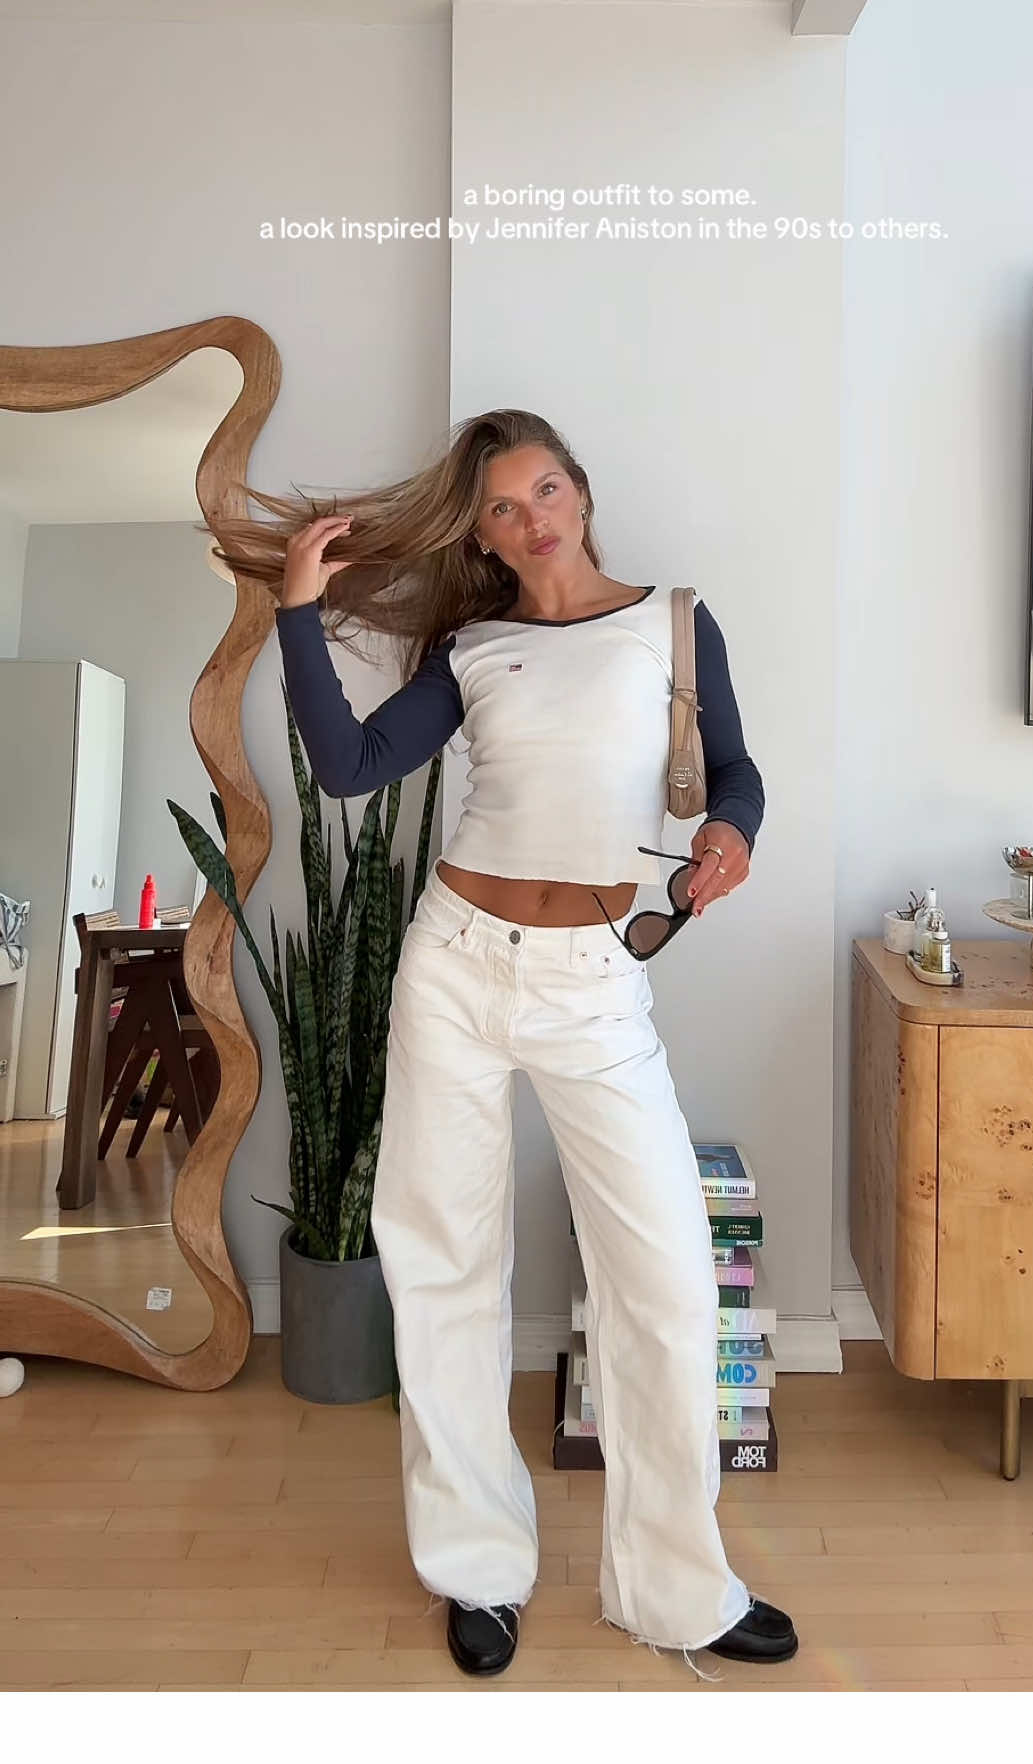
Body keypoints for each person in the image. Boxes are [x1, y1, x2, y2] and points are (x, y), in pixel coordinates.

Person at [208, 409, 796, 1681]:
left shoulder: (675, 622)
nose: (533, 521)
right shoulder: (472, 646)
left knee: (667, 1281)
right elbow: (349, 766)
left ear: (581, 490)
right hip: (457, 965)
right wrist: (297, 611)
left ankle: (678, 1590)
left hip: (596, 986)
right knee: (446, 1268)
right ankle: (478, 1567)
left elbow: (737, 771)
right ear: (480, 534)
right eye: (502, 509)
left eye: (546, 492)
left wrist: (731, 834)